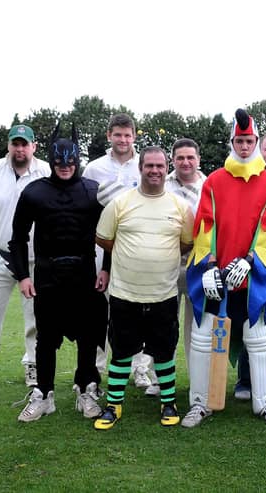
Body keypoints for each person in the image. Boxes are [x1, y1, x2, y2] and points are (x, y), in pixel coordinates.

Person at [183, 109, 266, 427]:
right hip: (219, 276)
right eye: (240, 141)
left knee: (261, 337)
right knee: (206, 337)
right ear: (233, 141)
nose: (244, 146)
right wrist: (211, 266)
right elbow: (205, 225)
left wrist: (251, 261)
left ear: (255, 142)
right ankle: (202, 402)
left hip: (254, 277)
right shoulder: (214, 181)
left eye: (249, 141)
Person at [9, 123, 108, 422]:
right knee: (46, 338)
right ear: (51, 162)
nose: (65, 167)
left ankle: (85, 389)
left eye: (70, 162)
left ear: (77, 161)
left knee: (89, 336)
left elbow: (111, 234)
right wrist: (23, 276)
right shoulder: (34, 192)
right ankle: (44, 393)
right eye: (59, 162)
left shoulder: (92, 192)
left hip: (84, 273)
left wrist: (105, 268)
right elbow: (18, 236)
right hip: (48, 274)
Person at [93, 146, 194, 429]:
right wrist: (133, 253)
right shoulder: (120, 203)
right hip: (125, 294)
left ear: (166, 169)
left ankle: (169, 403)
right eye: (149, 165)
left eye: (160, 166)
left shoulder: (179, 207)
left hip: (163, 294)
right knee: (122, 351)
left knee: (163, 351)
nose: (154, 170)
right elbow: (104, 239)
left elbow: (186, 243)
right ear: (141, 168)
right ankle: (113, 406)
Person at [83, 113, 156, 393]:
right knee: (101, 310)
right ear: (109, 136)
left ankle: (140, 368)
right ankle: (99, 367)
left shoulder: (145, 166)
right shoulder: (94, 168)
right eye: (118, 135)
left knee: (139, 308)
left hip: (139, 249)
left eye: (128, 135)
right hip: (103, 248)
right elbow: (87, 210)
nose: (123, 140)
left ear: (134, 136)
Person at [0, 124, 49, 387]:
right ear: (9, 145)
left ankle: (33, 367)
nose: (20, 148)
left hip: (34, 260)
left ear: (33, 146)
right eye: (15, 143)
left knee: (35, 320)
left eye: (24, 144)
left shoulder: (46, 171)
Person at [234, 133, 266, 400]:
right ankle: (244, 379)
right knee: (245, 321)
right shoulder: (231, 180)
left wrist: (256, 257)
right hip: (237, 266)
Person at [164, 138, 206, 366]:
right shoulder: (162, 183)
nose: (186, 162)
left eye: (190, 157)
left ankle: (197, 379)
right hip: (166, 263)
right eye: (180, 157)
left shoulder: (209, 186)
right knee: (164, 323)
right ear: (173, 159)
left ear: (198, 160)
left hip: (197, 264)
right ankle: (160, 379)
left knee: (196, 326)